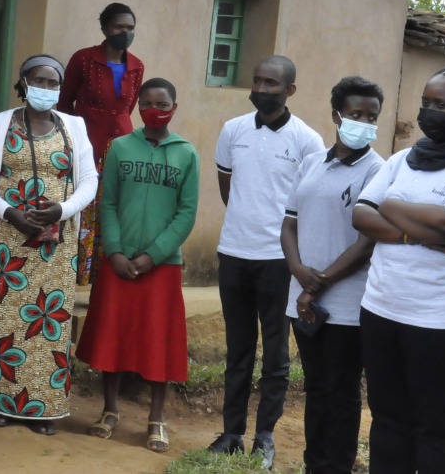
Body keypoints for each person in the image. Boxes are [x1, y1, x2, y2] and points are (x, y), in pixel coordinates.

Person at [352, 67, 445, 474]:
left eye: (441, 105)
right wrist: (414, 234)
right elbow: (362, 215)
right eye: (425, 103)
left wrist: (394, 207)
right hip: (382, 311)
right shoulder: (402, 159)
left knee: (438, 431)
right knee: (388, 423)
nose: (429, 112)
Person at [0, 55, 98, 435]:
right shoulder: (0, 123)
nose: (46, 88)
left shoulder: (74, 126)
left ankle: (45, 409)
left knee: (50, 325)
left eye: (53, 82)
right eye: (39, 81)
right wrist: (8, 213)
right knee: (2, 318)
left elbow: (89, 180)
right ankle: (0, 403)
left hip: (55, 245)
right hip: (8, 240)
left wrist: (62, 209)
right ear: (23, 83)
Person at [209, 55, 324, 469]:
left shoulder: (308, 141)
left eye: (271, 83)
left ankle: (265, 436)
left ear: (290, 90)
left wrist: (280, 246)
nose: (261, 89)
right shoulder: (233, 130)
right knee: (238, 348)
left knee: (275, 354)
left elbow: (306, 206)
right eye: (257, 81)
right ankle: (231, 432)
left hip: (279, 261)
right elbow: (230, 190)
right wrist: (247, 224)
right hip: (234, 254)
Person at [76, 77, 198, 453]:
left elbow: (187, 212)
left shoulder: (186, 153)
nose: (153, 109)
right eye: (145, 102)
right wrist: (113, 250)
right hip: (118, 261)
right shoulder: (120, 148)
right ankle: (109, 411)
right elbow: (107, 201)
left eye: (161, 102)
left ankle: (156, 419)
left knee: (157, 339)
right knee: (113, 334)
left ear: (174, 107)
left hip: (161, 266)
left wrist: (154, 254)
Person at [280, 76, 386, 474]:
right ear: (336, 115)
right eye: (356, 114)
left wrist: (318, 282)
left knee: (340, 393)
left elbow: (367, 241)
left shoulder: (378, 170)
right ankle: (314, 465)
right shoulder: (312, 162)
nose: (364, 122)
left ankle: (336, 466)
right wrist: (297, 271)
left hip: (346, 305)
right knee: (316, 389)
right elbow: (289, 223)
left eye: (371, 116)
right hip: (302, 296)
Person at [58, 3, 144, 285]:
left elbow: (128, 107)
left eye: (130, 28)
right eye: (119, 27)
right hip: (86, 142)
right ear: (105, 28)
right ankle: (74, 275)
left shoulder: (136, 66)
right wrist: (71, 137)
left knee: (114, 207)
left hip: (122, 144)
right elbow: (64, 101)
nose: (125, 33)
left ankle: (103, 276)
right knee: (83, 208)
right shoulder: (84, 59)